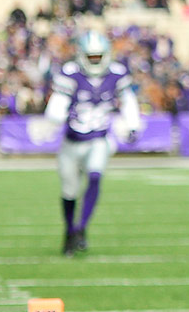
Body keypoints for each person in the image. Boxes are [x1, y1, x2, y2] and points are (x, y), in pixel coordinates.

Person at [44, 29, 139, 256]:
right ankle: (70, 231)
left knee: (95, 176)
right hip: (72, 141)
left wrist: (133, 124)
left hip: (99, 137)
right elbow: (56, 105)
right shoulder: (70, 73)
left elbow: (128, 100)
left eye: (98, 56)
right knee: (69, 190)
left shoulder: (116, 73)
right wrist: (56, 115)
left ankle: (81, 228)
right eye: (91, 57)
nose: (95, 61)